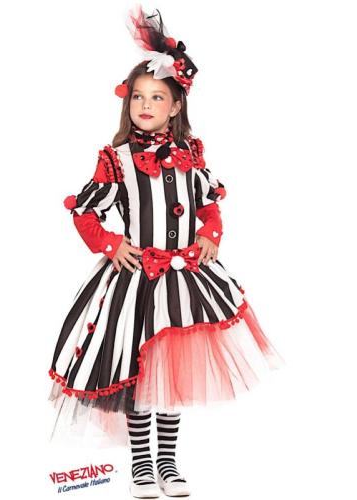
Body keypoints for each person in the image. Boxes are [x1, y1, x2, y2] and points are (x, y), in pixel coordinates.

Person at [47, 5, 285, 498]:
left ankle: (168, 463)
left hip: (183, 278)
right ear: (127, 102)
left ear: (176, 106)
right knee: (137, 373)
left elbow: (209, 204)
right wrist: (112, 244)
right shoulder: (117, 159)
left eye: (157, 97)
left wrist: (210, 235)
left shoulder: (191, 155)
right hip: (136, 280)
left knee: (172, 374)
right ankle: (141, 466)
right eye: (138, 96)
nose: (146, 104)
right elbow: (85, 212)